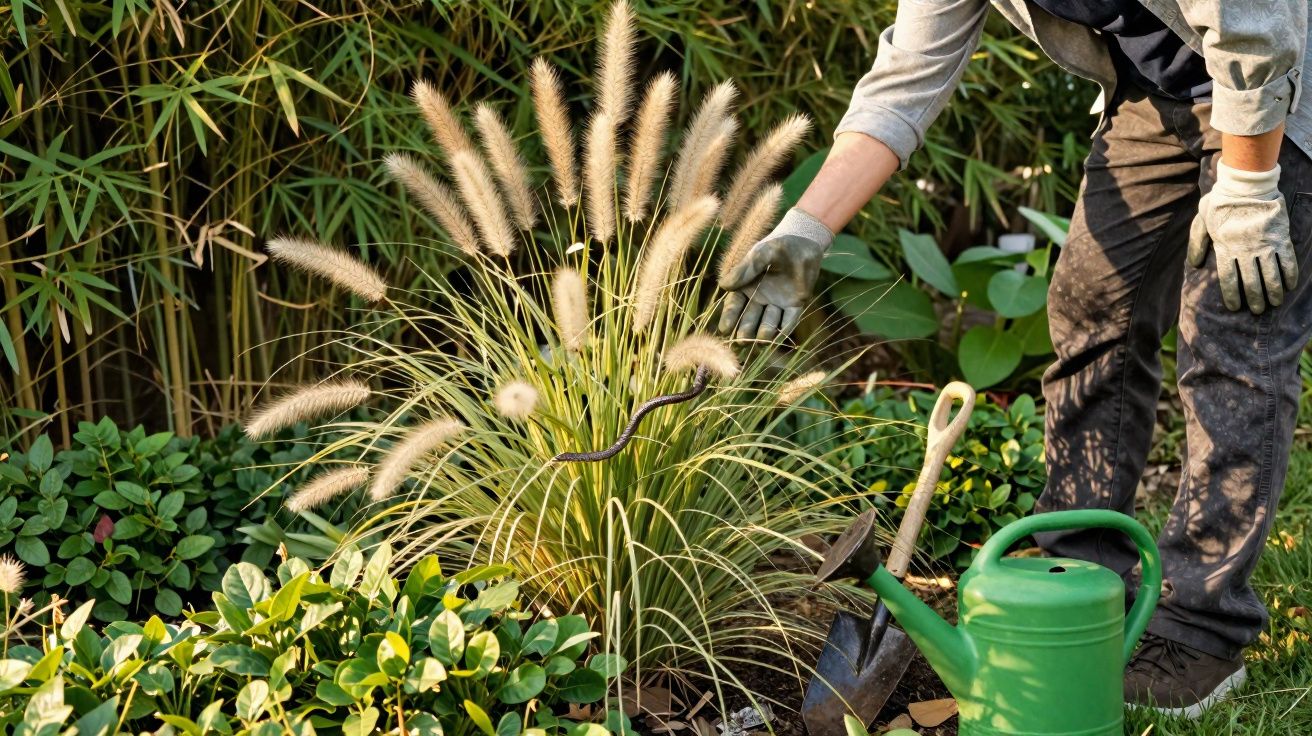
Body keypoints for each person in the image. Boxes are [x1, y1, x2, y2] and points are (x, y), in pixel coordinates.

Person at [718, 0, 1310, 719]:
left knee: (1232, 333)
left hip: (1276, 88)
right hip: (1159, 93)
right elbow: (907, 77)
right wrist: (806, 230)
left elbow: (1258, 26)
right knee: (1093, 309)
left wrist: (1247, 189)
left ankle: (1199, 630)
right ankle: (1077, 575)